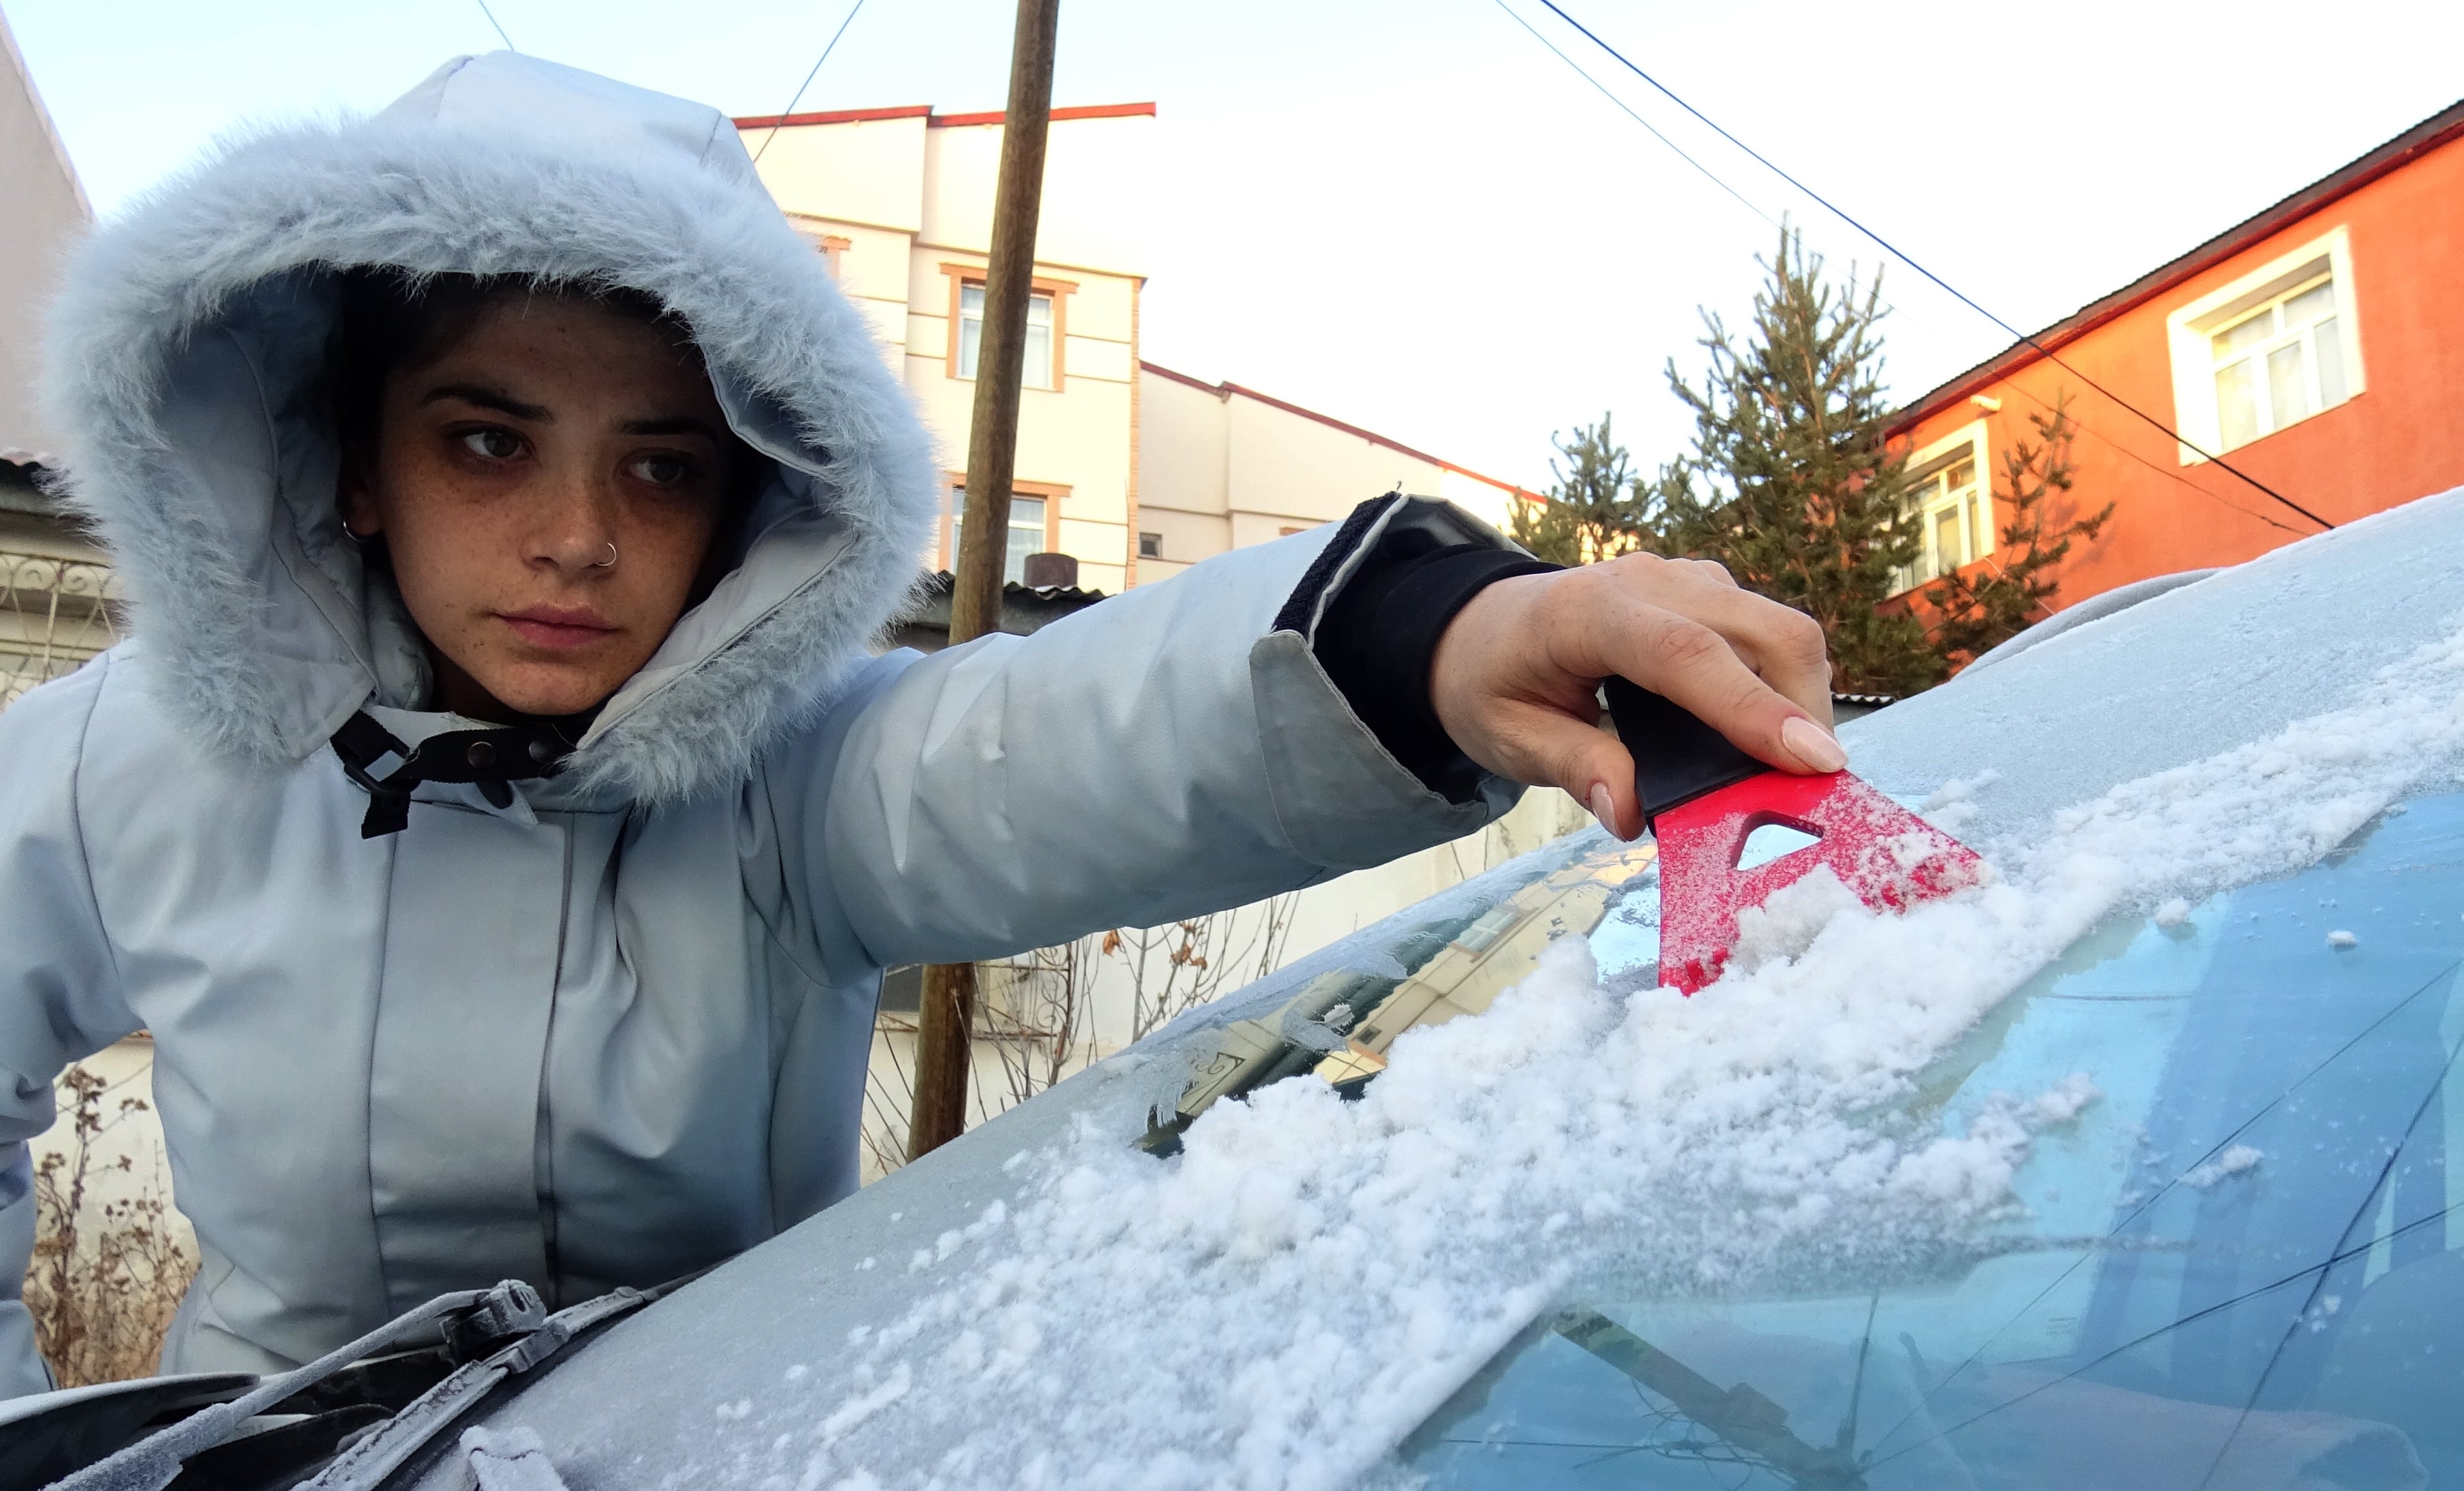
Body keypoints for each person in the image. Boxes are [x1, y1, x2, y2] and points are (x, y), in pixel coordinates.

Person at [0, 54, 1839, 1396]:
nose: (577, 537)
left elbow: (1074, 738)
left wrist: (1434, 635)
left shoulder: (787, 784)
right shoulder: (136, 762)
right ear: (357, 463)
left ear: (744, 501)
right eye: (489, 441)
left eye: (662, 464)